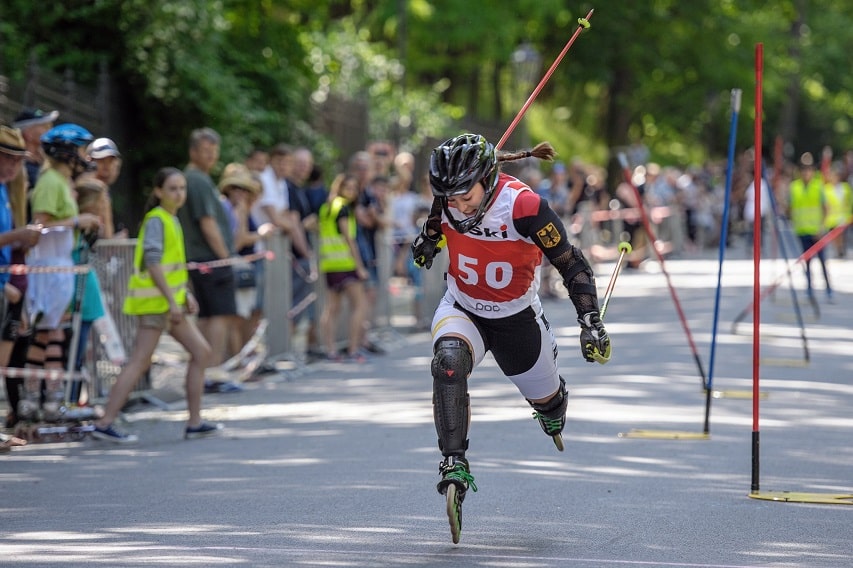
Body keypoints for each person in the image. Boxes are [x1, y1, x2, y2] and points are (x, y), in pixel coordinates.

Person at [411, 133, 611, 544]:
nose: (459, 206)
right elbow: (437, 221)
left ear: (487, 179)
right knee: (448, 361)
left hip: (515, 317)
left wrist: (590, 320)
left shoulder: (524, 206)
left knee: (548, 401)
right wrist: (428, 241)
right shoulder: (449, 197)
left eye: (467, 196)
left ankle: (551, 407)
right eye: (450, 197)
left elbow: (571, 264)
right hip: (462, 305)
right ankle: (454, 463)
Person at [92, 167, 219, 443]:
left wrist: (184, 295)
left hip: (168, 304)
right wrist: (174, 300)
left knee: (201, 352)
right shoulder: (157, 220)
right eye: (172, 188)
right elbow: (152, 263)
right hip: (157, 305)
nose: (179, 194)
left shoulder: (170, 220)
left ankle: (194, 422)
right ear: (159, 191)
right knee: (140, 361)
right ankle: (105, 422)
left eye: (182, 188)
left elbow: (171, 267)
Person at [22, 124, 101, 422]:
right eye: (80, 150)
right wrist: (79, 220)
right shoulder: (49, 182)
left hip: (61, 266)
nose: (84, 156)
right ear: (67, 152)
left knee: (56, 333)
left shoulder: (61, 180)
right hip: (48, 267)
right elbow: (39, 227)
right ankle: (31, 400)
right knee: (43, 335)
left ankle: (54, 401)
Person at [176, 128, 239, 391]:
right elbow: (207, 222)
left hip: (201, 260)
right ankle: (211, 373)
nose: (211, 155)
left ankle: (204, 373)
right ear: (193, 152)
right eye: (205, 150)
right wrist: (225, 257)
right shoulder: (198, 181)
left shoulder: (198, 179)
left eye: (214, 150)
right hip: (210, 260)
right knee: (218, 316)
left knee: (209, 316)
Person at [0, 125, 42, 431]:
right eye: (8, 158)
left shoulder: (7, 191)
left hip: (11, 289)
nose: (15, 165)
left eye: (18, 159)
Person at [317, 173, 369, 362]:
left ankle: (330, 350)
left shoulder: (326, 207)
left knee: (332, 308)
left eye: (355, 188)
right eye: (348, 188)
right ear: (339, 188)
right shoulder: (343, 208)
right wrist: (360, 266)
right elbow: (349, 239)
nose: (352, 192)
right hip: (346, 263)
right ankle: (353, 349)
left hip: (329, 264)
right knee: (360, 305)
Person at [787, 152, 833, 303]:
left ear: (813, 171)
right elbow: (790, 208)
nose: (807, 172)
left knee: (822, 261)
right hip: (802, 231)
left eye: (809, 169)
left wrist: (822, 227)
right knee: (807, 262)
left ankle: (828, 290)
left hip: (817, 231)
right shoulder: (795, 187)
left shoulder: (818, 186)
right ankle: (809, 290)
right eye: (804, 169)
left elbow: (826, 208)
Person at [83, 137, 124, 238]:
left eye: (110, 161)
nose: (106, 166)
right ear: (89, 161)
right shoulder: (85, 186)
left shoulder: (104, 189)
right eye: (101, 161)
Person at [11, 107, 59, 190]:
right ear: (28, 133)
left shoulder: (46, 162)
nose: (50, 130)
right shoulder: (13, 165)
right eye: (45, 126)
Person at [823, 161, 851, 258]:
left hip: (844, 217)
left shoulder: (845, 188)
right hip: (832, 218)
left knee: (842, 236)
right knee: (835, 237)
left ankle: (841, 250)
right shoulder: (827, 189)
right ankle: (838, 250)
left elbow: (849, 202)